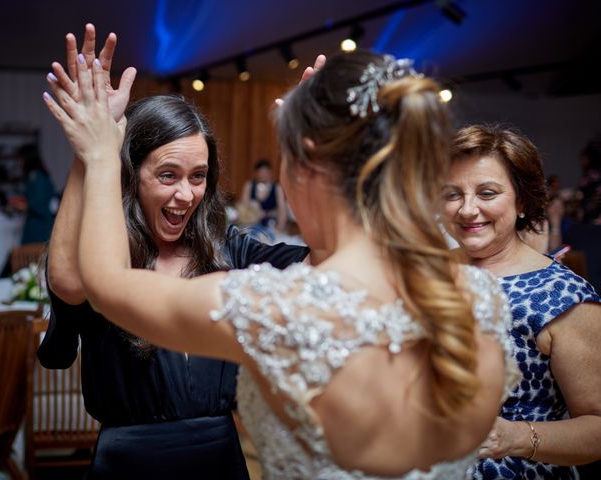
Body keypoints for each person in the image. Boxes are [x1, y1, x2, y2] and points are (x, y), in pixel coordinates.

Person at [44, 49, 519, 479]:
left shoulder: (276, 306)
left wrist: (101, 150)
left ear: (304, 162)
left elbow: (104, 282)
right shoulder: (479, 302)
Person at [39, 25, 313, 479]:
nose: (186, 194)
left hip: (221, 460)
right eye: (168, 175)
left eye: (198, 176)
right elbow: (68, 283)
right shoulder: (106, 255)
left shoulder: (231, 250)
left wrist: (318, 165)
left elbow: (327, 268)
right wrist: (91, 148)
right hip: (128, 464)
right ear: (132, 175)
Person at [441, 124, 601, 479]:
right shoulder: (424, 274)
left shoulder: (563, 296)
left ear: (523, 201)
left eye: (487, 193)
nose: (468, 210)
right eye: (453, 194)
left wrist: (515, 437)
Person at [18, 143, 58, 244]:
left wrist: (24, 206)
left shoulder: (36, 177)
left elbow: (40, 204)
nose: (20, 162)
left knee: (33, 255)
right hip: (39, 221)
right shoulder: (38, 175)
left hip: (39, 225)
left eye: (21, 159)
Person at [239, 158, 288, 234]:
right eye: (261, 172)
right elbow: (243, 207)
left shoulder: (277, 187)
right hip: (252, 223)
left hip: (271, 224)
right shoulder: (249, 185)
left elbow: (282, 209)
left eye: (265, 172)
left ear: (270, 172)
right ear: (256, 173)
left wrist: (280, 227)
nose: (263, 175)